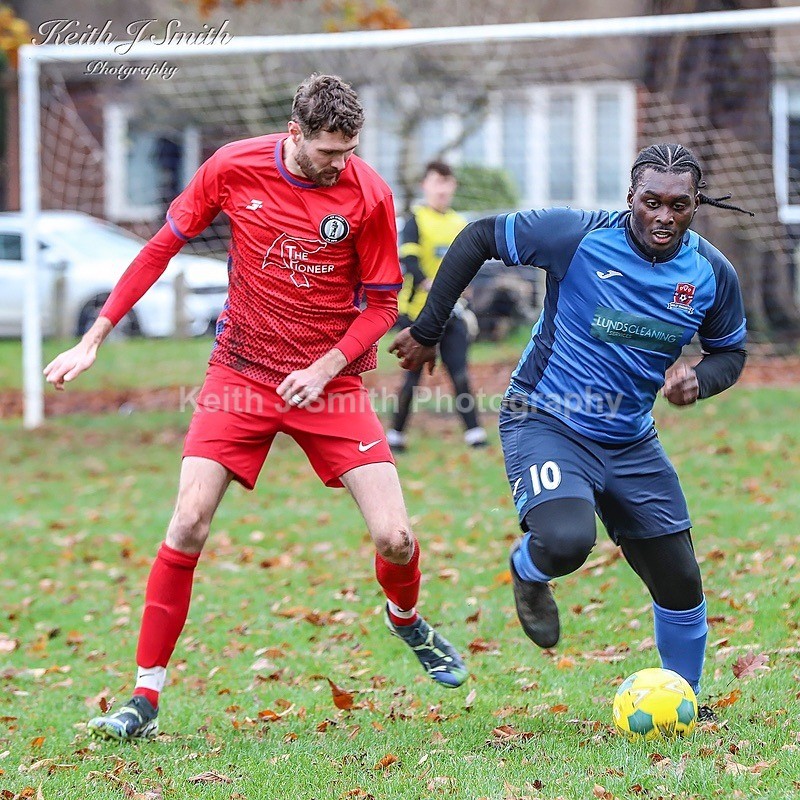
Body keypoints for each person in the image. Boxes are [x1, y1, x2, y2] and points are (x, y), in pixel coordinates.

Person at [45, 74, 467, 741]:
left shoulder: (370, 195)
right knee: (187, 523)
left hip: (329, 385)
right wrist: (96, 335)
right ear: (294, 134)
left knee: (396, 538)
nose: (341, 164)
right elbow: (161, 246)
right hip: (240, 374)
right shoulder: (233, 166)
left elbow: (384, 304)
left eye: (350, 150)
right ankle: (144, 696)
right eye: (329, 151)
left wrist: (325, 366)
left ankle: (405, 618)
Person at [390, 143, 750, 717]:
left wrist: (699, 380)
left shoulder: (711, 274)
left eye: (677, 205)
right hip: (546, 419)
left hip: (631, 438)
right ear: (629, 198)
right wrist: (430, 328)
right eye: (650, 202)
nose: (663, 216)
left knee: (681, 581)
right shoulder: (576, 236)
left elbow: (729, 352)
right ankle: (527, 569)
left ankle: (685, 700)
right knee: (566, 541)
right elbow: (480, 235)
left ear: (696, 204)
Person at [386, 161, 487, 452]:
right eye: (435, 182)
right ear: (425, 186)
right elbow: (410, 262)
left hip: (453, 313)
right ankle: (396, 435)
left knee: (460, 372)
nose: (441, 189)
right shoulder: (415, 220)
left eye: (446, 183)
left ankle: (474, 434)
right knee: (413, 375)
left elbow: (471, 263)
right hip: (420, 314)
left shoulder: (459, 223)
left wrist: (462, 289)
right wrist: (434, 285)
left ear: (453, 186)